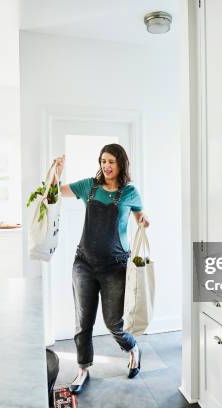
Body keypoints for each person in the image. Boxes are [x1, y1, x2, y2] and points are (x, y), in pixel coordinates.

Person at [52, 144, 150, 394]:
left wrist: (143, 221)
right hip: (84, 263)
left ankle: (132, 348)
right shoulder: (89, 187)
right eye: (103, 161)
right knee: (83, 322)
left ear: (121, 165)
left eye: (112, 162)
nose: (106, 166)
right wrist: (57, 172)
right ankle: (83, 369)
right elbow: (55, 192)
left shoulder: (129, 192)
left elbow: (139, 213)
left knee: (114, 323)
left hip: (115, 266)